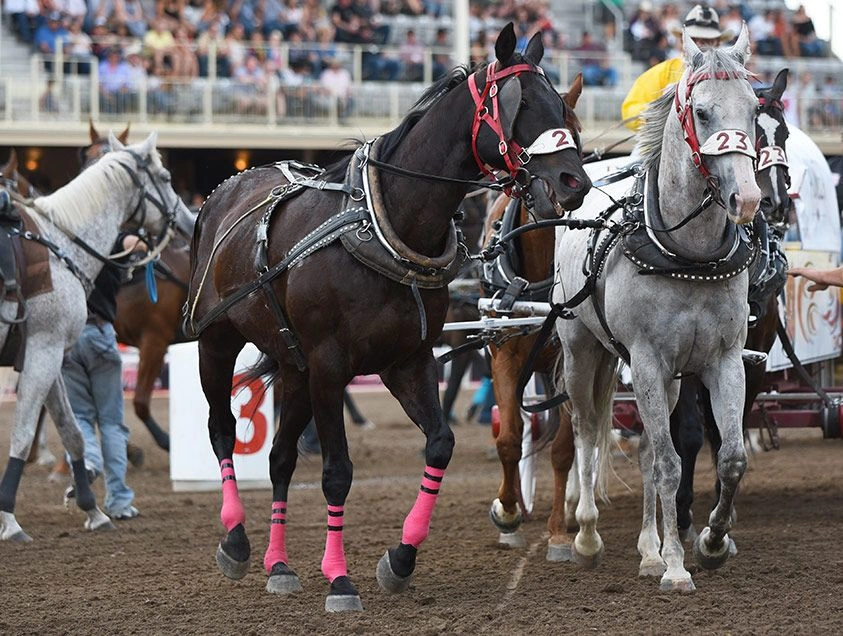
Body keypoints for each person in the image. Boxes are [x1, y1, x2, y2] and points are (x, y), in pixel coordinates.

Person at [62, 234, 148, 520]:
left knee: (80, 417)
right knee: (111, 423)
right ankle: (119, 501)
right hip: (100, 334)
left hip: (68, 339)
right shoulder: (109, 239)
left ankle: (88, 462)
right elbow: (137, 245)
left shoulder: (64, 241)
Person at [621, 4, 733, 131]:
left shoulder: (730, 77)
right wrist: (659, 109)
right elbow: (629, 111)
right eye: (693, 39)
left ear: (717, 43)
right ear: (682, 40)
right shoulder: (662, 72)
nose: (699, 45)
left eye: (706, 40)